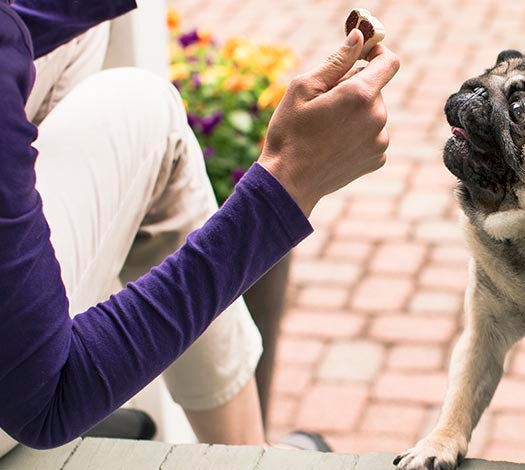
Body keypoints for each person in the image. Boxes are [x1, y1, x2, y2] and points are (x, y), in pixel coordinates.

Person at [0, 0, 399, 453]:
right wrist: (289, 184)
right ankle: (248, 454)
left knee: (81, 39)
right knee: (144, 111)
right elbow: (47, 401)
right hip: (27, 401)